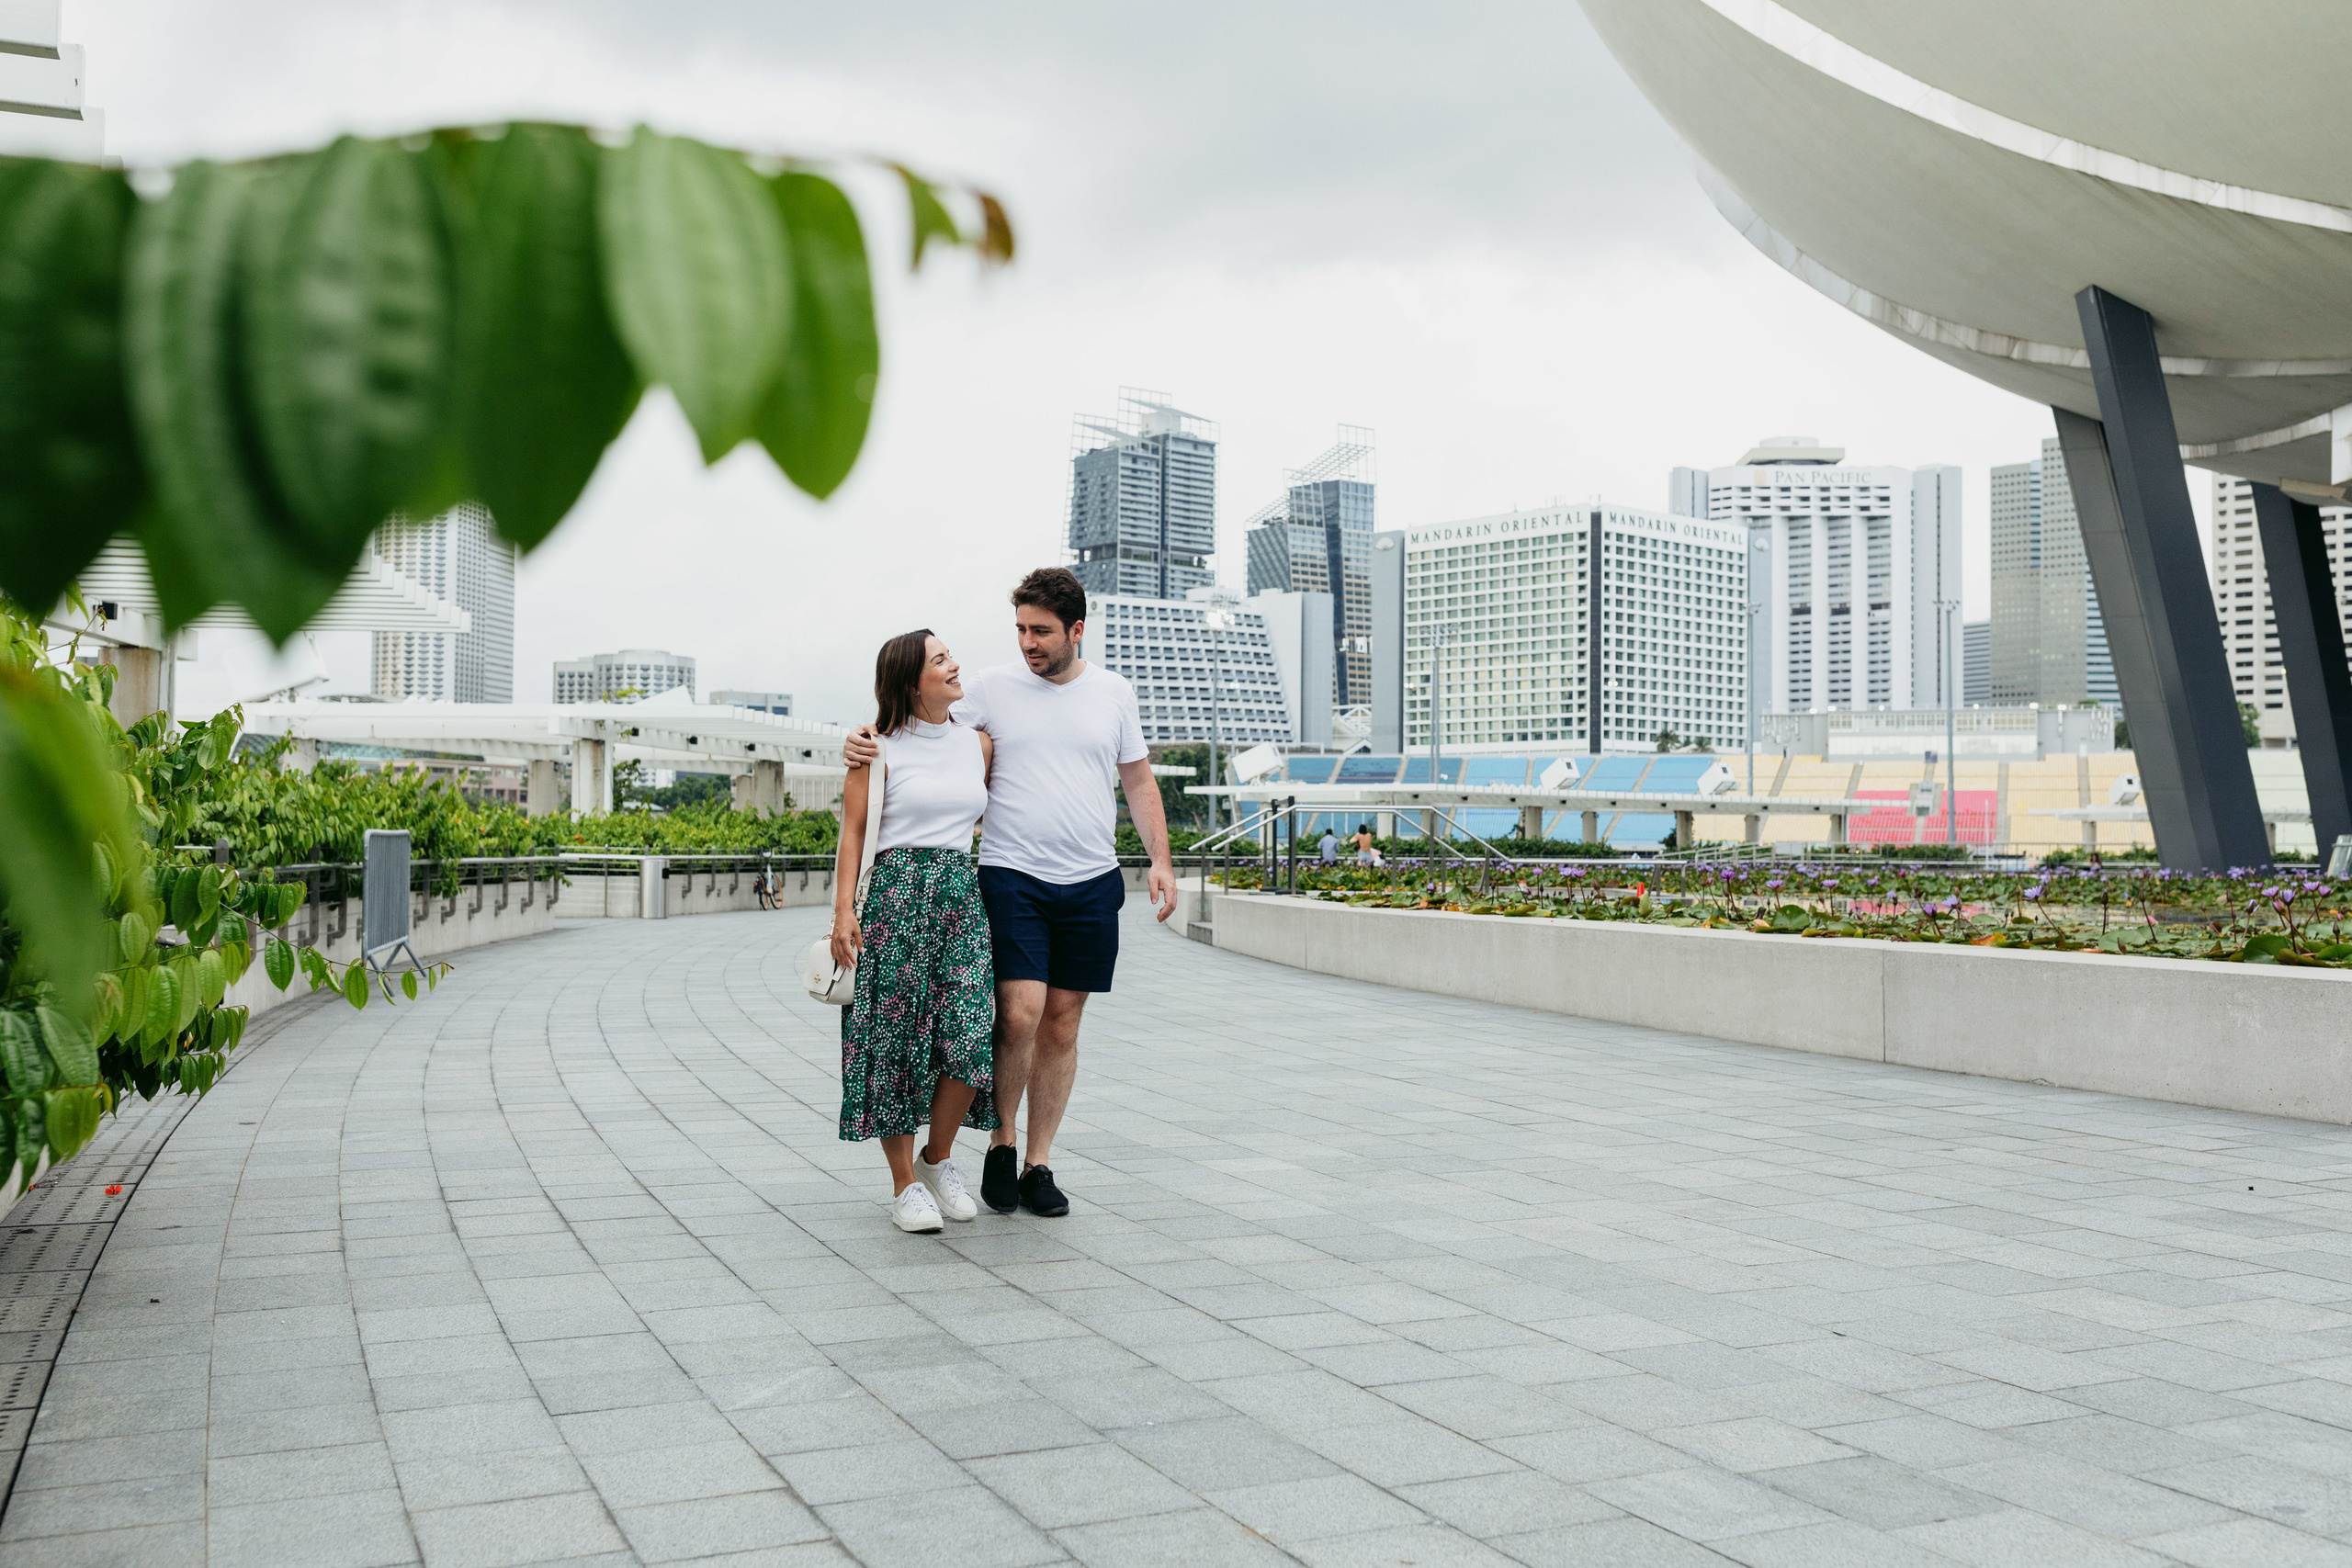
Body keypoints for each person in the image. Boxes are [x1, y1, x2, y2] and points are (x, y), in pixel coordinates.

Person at [843, 568, 1176, 1219]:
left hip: (1090, 879)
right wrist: (859, 737)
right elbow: (916, 720)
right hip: (1011, 873)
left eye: (1041, 631)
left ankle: (1038, 1161)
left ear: (1076, 631)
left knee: (1062, 1020)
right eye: (1020, 627)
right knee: (1018, 1012)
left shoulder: (1114, 692)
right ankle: (999, 1140)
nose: (1028, 641)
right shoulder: (992, 687)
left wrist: (1160, 860)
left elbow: (1138, 781)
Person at [831, 630, 999, 1235]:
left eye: (950, 655)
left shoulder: (976, 744)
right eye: (940, 660)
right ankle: (904, 1183)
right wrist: (843, 910)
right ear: (911, 682)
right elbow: (852, 833)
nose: (955, 665)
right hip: (896, 896)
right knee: (894, 1041)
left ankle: (937, 1158)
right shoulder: (876, 748)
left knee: (972, 1032)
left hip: (960, 894)